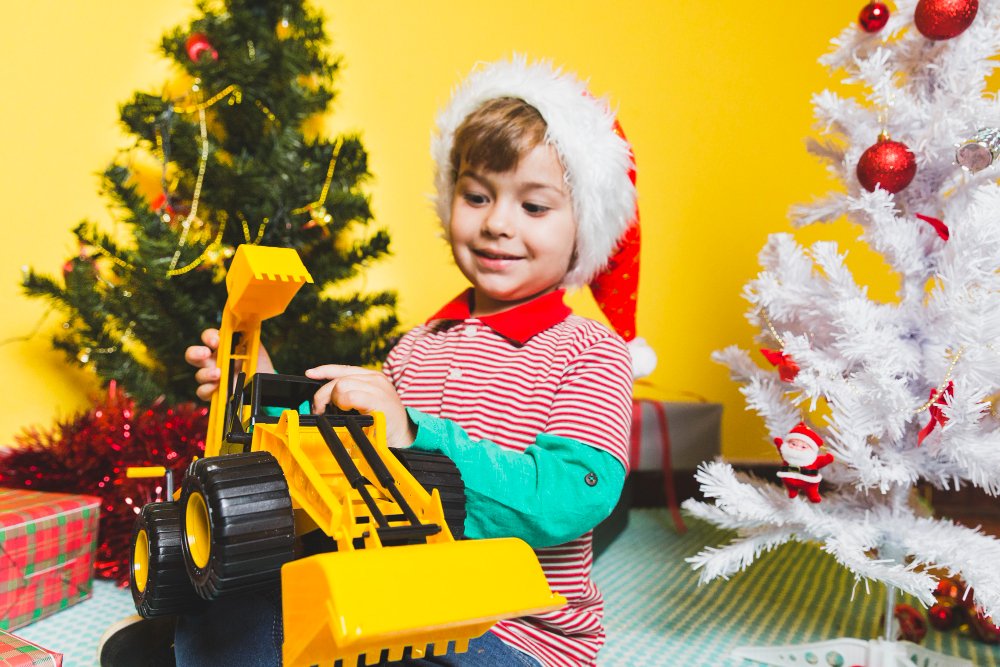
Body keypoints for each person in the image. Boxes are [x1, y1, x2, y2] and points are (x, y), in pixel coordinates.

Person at [101, 56, 652, 667]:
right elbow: (341, 456)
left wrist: (415, 434)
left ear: (586, 229)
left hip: (511, 634)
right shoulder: (418, 345)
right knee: (265, 601)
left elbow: (573, 495)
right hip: (395, 605)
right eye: (477, 195)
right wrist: (265, 384)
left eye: (534, 207)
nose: (498, 223)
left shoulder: (589, 352)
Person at [774, 422, 833, 503]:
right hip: (789, 478)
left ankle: (813, 495)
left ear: (811, 449)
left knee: (811, 489)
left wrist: (827, 458)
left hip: (809, 480)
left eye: (803, 447)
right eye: (793, 444)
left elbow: (821, 461)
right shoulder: (786, 454)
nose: (797, 448)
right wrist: (778, 443)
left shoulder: (812, 459)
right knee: (790, 486)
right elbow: (781, 449)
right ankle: (792, 491)